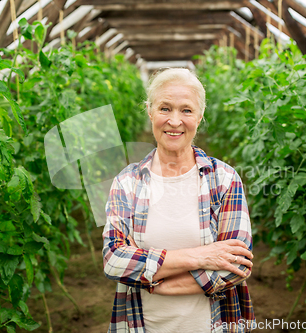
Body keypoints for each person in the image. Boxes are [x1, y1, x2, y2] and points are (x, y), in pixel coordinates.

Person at [102, 68, 255, 333]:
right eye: (165, 108)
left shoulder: (224, 180)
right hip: (142, 325)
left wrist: (151, 281)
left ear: (200, 116)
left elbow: (235, 265)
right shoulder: (127, 183)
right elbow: (114, 259)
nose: (174, 121)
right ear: (150, 111)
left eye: (186, 110)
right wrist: (200, 256)